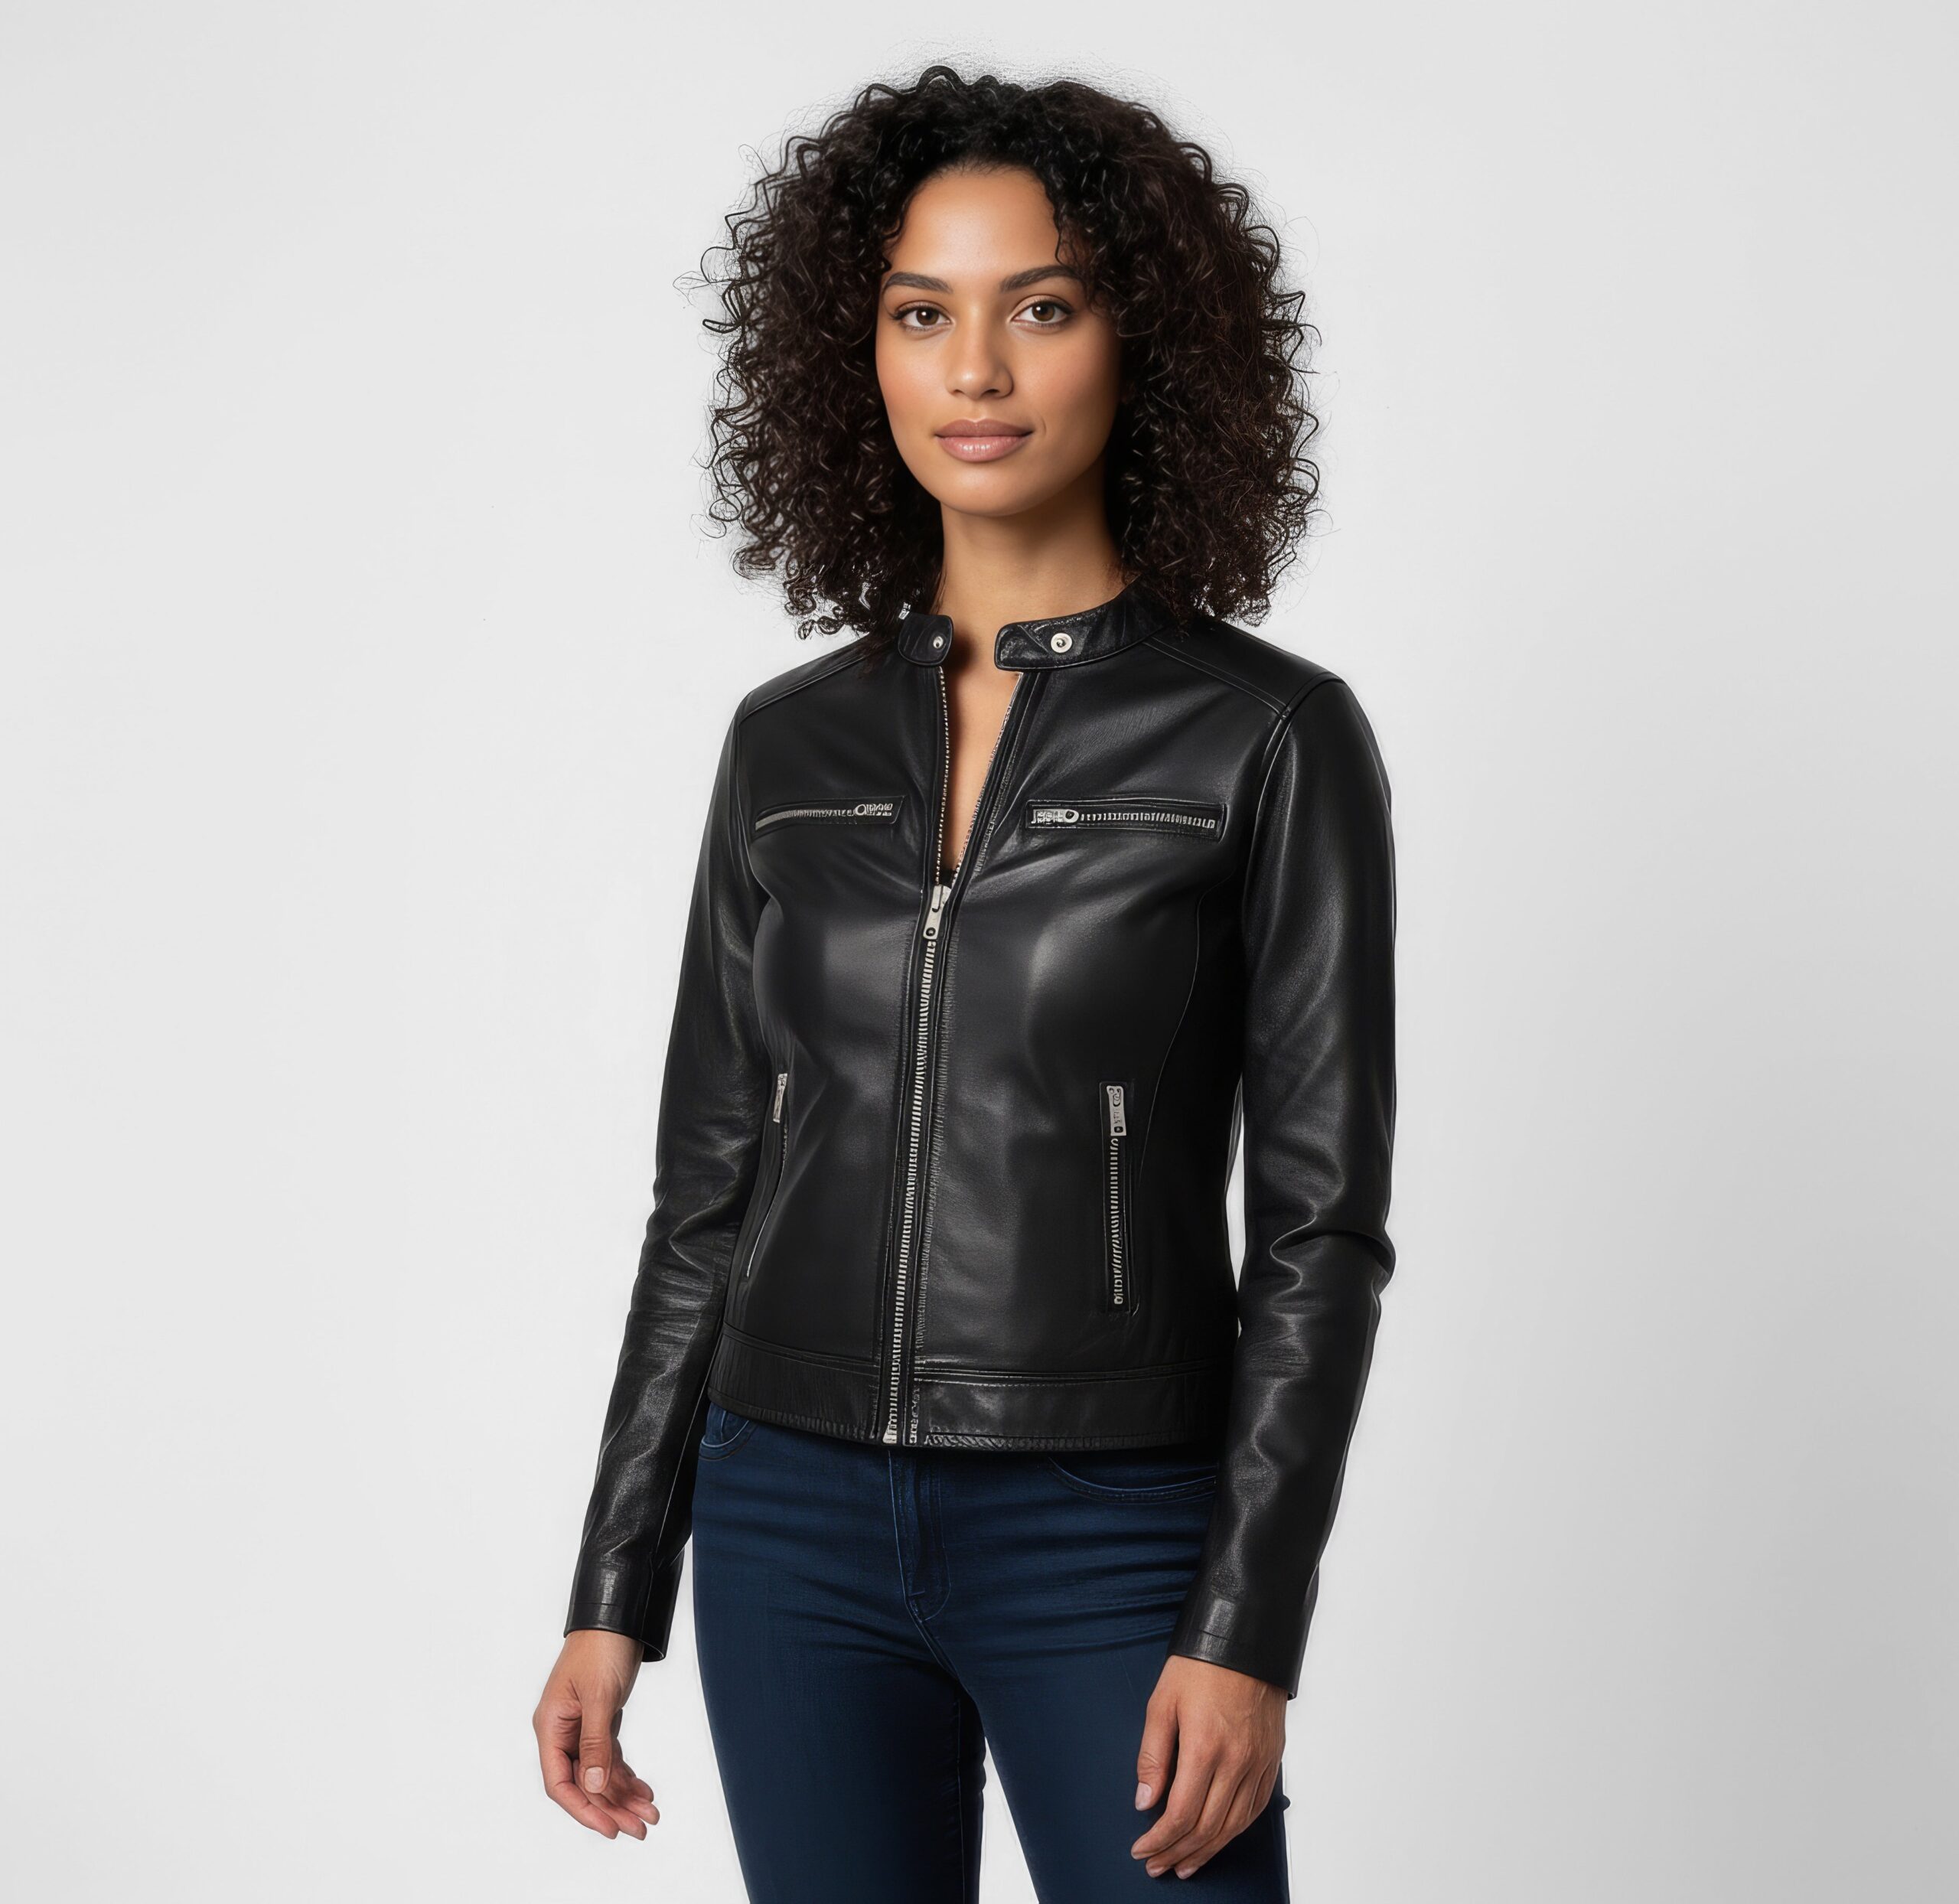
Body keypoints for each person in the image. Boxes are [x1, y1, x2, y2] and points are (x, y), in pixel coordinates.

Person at [533, 64, 1397, 1902]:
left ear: (1138, 341)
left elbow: (1318, 1229)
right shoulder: (786, 742)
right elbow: (704, 1194)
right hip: (785, 1518)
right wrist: (614, 1588)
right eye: (921, 313)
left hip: (1105, 1519)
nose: (976, 371)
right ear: (856, 354)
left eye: (1041, 308)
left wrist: (1245, 1620)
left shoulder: (1263, 735)